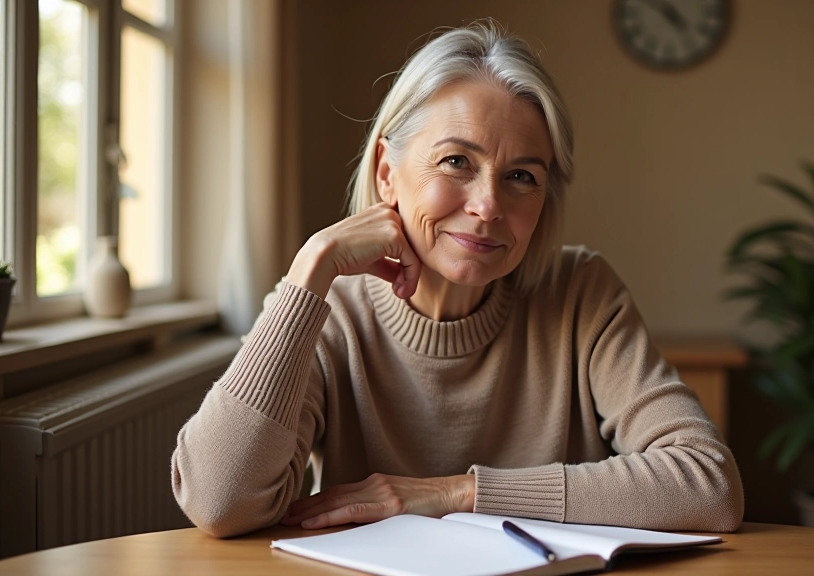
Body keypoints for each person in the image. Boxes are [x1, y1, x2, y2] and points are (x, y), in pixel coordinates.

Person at [171, 20, 743, 538]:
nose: (490, 205)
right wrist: (312, 265)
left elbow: (708, 485)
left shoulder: (582, 291)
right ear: (387, 173)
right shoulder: (325, 308)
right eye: (456, 162)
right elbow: (220, 503)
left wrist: (455, 493)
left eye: (522, 175)